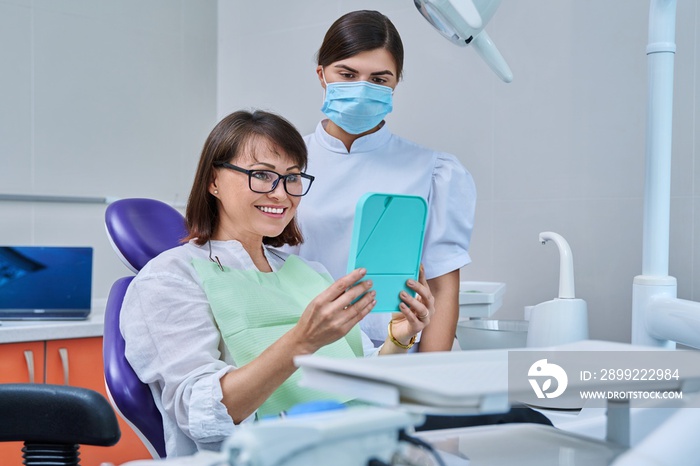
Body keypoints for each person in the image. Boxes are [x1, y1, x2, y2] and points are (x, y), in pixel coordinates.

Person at [120, 110, 435, 457]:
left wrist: (399, 337)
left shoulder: (309, 272)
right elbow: (202, 417)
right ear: (213, 182)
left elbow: (359, 378)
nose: (281, 194)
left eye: (292, 178)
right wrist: (302, 341)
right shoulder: (170, 279)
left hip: (356, 445)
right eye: (261, 175)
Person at [288, 10, 476, 352]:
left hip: (402, 348)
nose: (361, 90)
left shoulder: (433, 171)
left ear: (395, 83)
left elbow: (443, 287)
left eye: (378, 79)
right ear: (321, 75)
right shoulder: (285, 163)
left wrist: (429, 378)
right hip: (309, 349)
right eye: (347, 74)